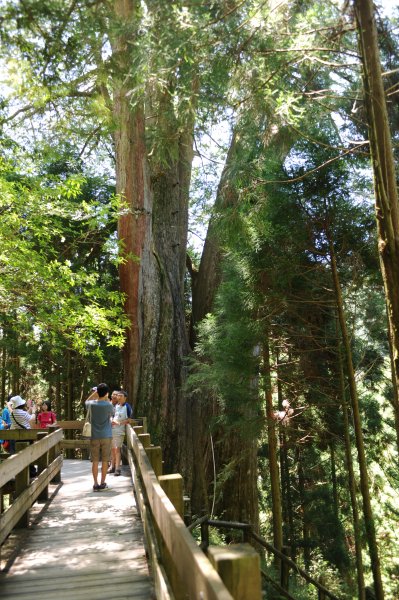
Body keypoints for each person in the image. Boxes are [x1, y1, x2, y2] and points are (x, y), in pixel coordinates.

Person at [84, 383, 113, 492]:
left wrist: (95, 394)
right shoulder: (108, 405)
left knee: (95, 460)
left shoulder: (91, 404)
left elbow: (85, 402)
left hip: (94, 436)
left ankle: (95, 483)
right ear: (106, 393)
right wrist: (106, 398)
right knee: (105, 460)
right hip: (106, 435)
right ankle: (102, 483)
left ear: (97, 392)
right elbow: (111, 414)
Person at [108, 391, 129, 476]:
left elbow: (130, 420)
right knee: (112, 449)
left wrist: (119, 423)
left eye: (121, 396)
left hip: (120, 431)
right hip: (112, 430)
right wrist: (111, 420)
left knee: (117, 449)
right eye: (118, 396)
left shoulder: (127, 406)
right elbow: (112, 416)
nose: (119, 397)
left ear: (125, 397)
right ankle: (112, 467)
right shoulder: (116, 406)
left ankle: (117, 468)